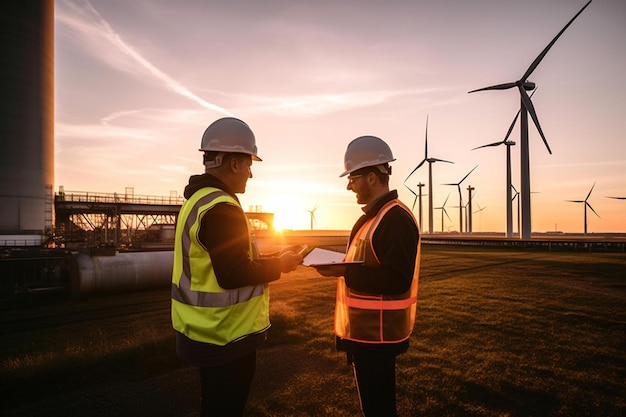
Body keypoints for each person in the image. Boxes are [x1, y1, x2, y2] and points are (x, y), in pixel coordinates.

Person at [171, 117, 302, 417]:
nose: (251, 174)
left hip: (199, 332)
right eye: (248, 164)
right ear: (232, 164)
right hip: (226, 338)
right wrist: (280, 265)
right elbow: (232, 274)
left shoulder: (197, 201)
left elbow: (226, 263)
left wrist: (273, 258)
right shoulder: (223, 208)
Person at [330, 135, 421, 416]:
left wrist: (344, 272)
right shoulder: (374, 216)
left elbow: (396, 279)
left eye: (352, 178)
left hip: (378, 339)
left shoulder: (395, 219)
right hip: (365, 337)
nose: (348, 185)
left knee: (379, 410)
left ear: (371, 177)